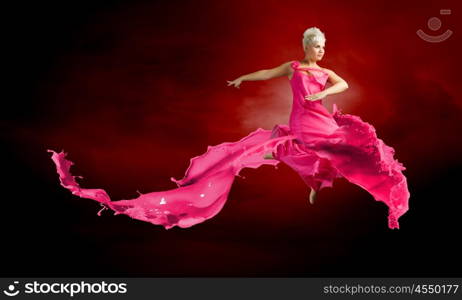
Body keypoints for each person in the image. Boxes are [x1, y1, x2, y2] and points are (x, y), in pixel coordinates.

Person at [48, 27, 409, 230]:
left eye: (324, 45)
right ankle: (315, 182)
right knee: (299, 148)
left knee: (341, 150)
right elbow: (267, 73)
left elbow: (343, 85)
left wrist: (326, 93)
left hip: (322, 120)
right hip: (303, 121)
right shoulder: (295, 67)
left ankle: (326, 183)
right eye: (316, 45)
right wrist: (242, 78)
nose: (321, 50)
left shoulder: (324, 73)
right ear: (304, 46)